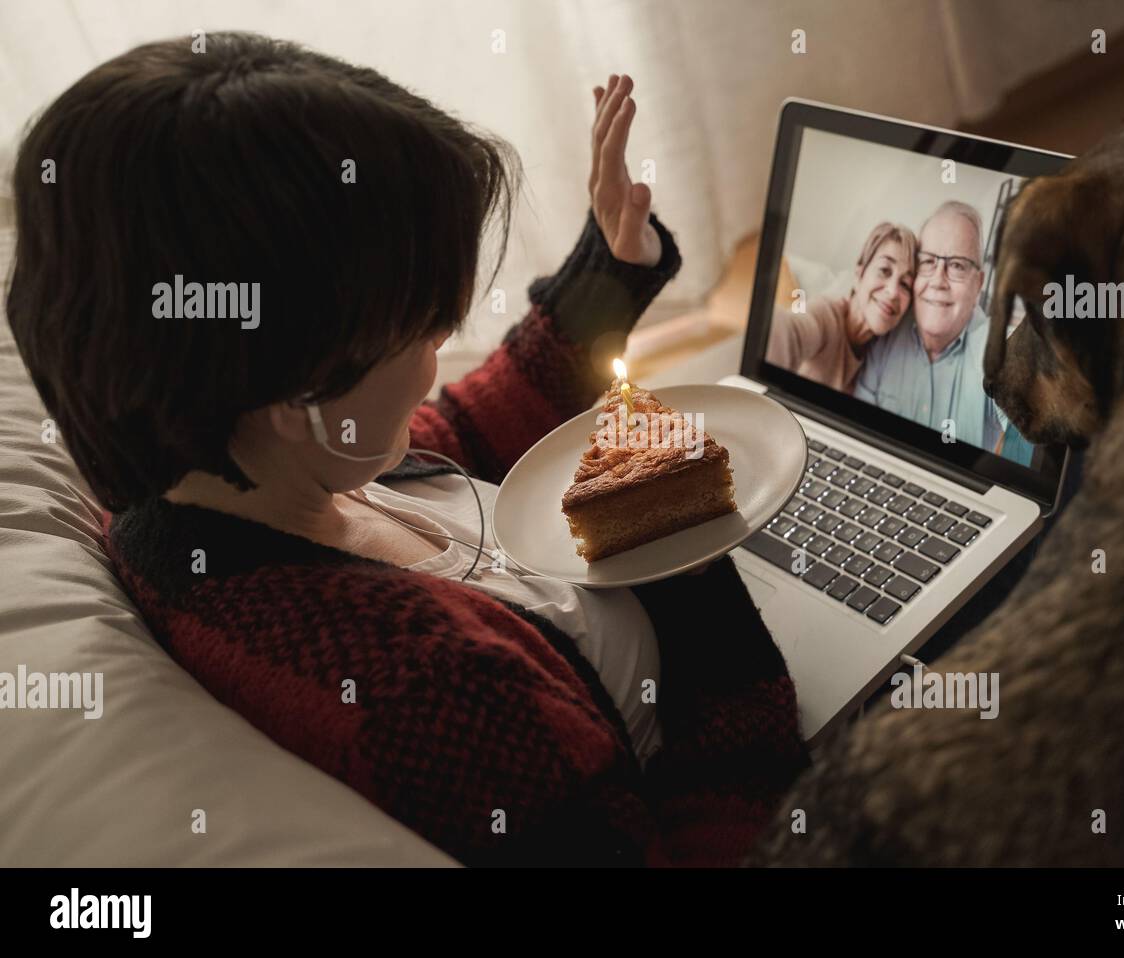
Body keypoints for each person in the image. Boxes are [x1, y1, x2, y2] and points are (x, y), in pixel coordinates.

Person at [6, 34, 807, 866]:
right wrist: (699, 593)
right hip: (744, 744)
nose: (446, 344)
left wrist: (608, 269)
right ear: (295, 392)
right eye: (425, 328)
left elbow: (453, 442)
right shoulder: (432, 699)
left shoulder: (221, 481)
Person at [851, 201, 1008, 454]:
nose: (938, 281)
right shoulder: (886, 327)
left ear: (978, 284)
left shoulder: (997, 348)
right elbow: (856, 433)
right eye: (928, 262)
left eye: (957, 266)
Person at [765, 221, 916, 392]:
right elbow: (789, 332)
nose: (893, 291)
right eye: (884, 270)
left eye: (905, 283)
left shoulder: (880, 356)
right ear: (859, 274)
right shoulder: (825, 315)